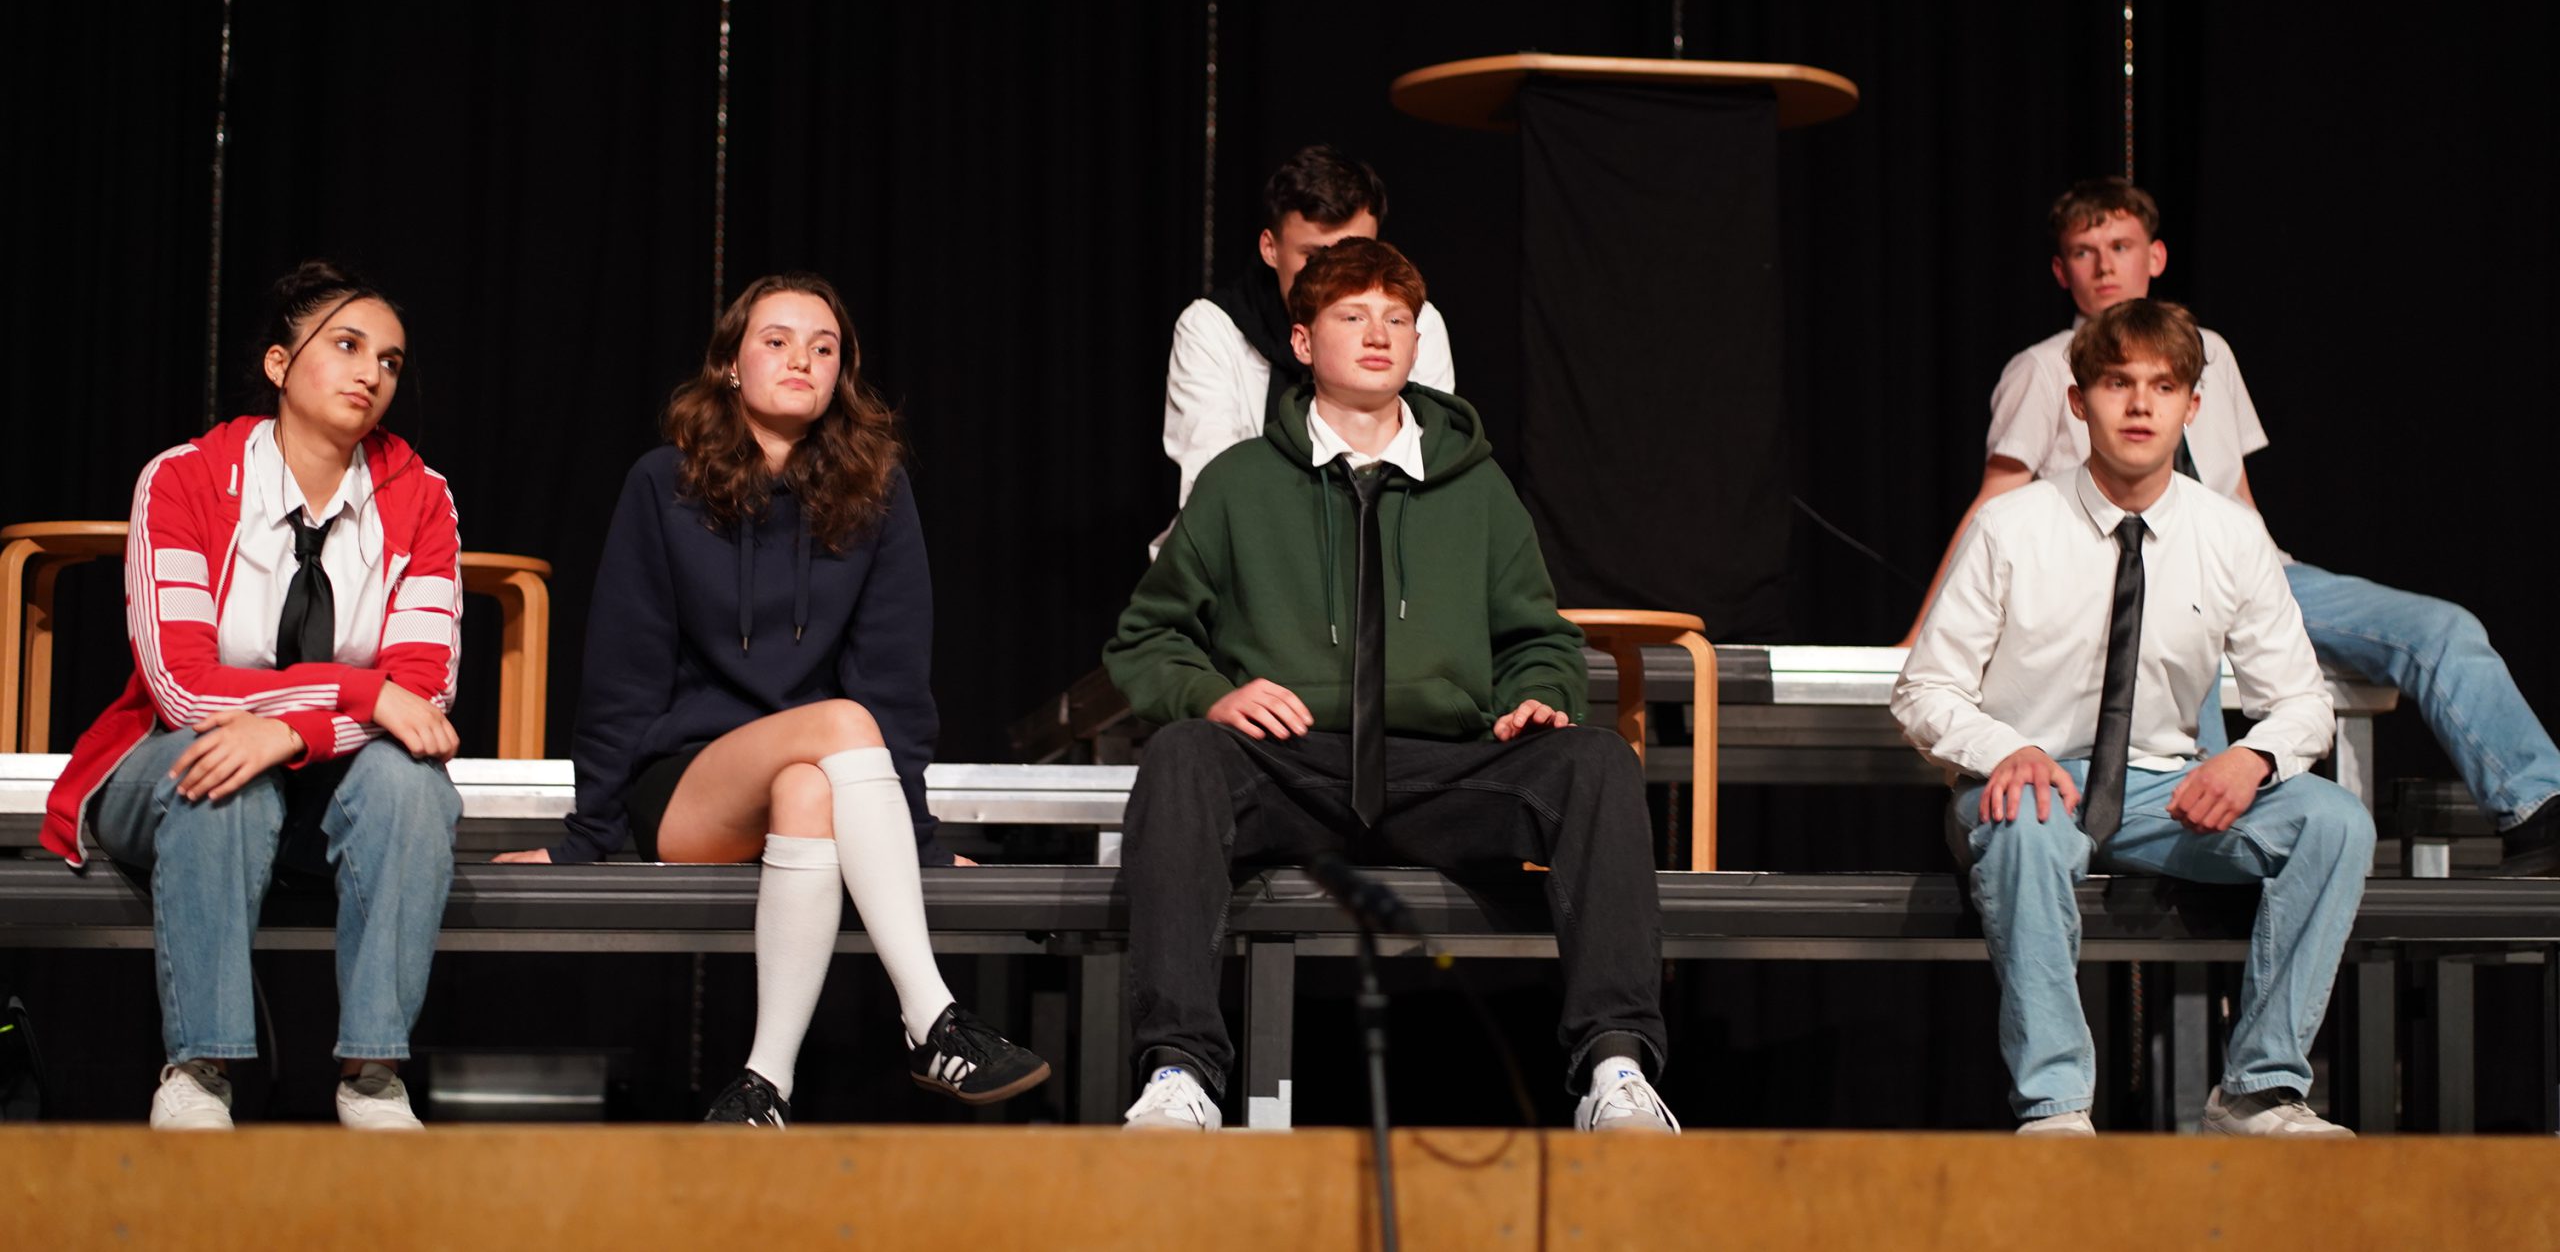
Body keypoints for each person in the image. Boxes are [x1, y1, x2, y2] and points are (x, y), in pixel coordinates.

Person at [1106, 237, 1675, 1134]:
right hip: (1293, 766)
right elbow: (1148, 637)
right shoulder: (1240, 482)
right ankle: (1180, 1074)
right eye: (1352, 315)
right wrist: (1213, 696)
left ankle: (1616, 1068)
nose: (1378, 335)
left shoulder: (1476, 487)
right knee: (1183, 756)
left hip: (1441, 772)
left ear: (1417, 341)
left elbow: (1539, 638)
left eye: (1397, 319)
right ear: (1304, 342)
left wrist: (1539, 694)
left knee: (1597, 761)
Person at [495, 272, 1046, 1124]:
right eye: (777, 341)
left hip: (819, 781)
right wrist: (586, 838)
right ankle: (933, 1017)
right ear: (730, 363)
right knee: (843, 724)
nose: (802, 360)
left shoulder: (877, 491)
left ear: (841, 375)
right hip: (686, 789)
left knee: (809, 784)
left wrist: (917, 839)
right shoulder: (663, 483)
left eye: (824, 348)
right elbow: (622, 671)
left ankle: (764, 1085)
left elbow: (896, 679)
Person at [1902, 178, 2560, 873]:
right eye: (2085, 252)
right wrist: (1923, 631)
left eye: (2120, 247)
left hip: (2246, 566)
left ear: (2155, 257)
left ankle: (2537, 808)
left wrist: (2257, 571)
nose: (2104, 266)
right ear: (2062, 271)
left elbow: (2235, 486)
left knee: (2442, 628)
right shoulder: (2042, 370)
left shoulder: (2208, 350)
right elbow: (1997, 496)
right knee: (2196, 762)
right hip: (2136, 581)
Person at [1894, 299, 2373, 1135]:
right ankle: (2055, 1107)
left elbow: (2301, 700)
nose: (2141, 405)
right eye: (2118, 383)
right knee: (2027, 816)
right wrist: (2009, 749)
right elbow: (1923, 690)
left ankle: (2259, 1090)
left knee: (2334, 823)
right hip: (2027, 787)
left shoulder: (2231, 535)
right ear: (2078, 403)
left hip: (2162, 792)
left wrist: (2253, 758)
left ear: (2193, 406)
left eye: (2163, 386)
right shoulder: (2011, 527)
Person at [41, 262, 465, 1130]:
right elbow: (182, 686)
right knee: (223, 774)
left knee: (413, 785)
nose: (371, 373)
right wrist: (355, 691)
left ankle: (374, 1077)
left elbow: (421, 694)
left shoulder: (422, 496)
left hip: (327, 785)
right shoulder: (185, 478)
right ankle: (199, 1073)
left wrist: (294, 734)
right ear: (279, 364)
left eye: (389, 360)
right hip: (165, 768)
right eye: (347, 346)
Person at [1155, 144, 1455, 550]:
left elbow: (1431, 463)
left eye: (1354, 253)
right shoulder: (1213, 327)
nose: (1335, 274)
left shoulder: (1413, 323)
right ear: (1270, 248)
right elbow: (1214, 487)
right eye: (1313, 256)